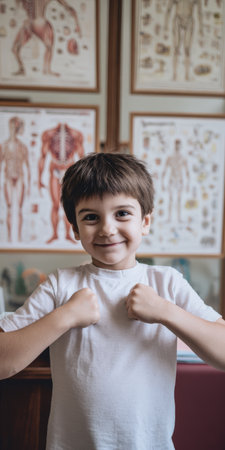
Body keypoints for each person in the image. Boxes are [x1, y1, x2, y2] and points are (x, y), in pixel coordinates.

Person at [0, 152, 225, 450]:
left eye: (122, 214)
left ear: (145, 222)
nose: (107, 228)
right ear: (75, 230)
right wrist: (64, 317)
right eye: (91, 217)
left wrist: (165, 312)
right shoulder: (60, 284)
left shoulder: (167, 283)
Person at [38, 123, 84, 244]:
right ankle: (54, 234)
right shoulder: (48, 135)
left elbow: (82, 157)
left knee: (68, 207)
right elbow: (43, 156)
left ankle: (68, 234)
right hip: (55, 170)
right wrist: (39, 178)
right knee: (55, 205)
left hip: (70, 171)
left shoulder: (76, 135)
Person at [0, 116, 31, 242]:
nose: (13, 128)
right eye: (11, 126)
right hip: (8, 177)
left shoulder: (23, 147)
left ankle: (17, 237)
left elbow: (28, 167)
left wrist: (29, 185)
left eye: (15, 126)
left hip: (20, 178)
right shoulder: (3, 146)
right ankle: (9, 238)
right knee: (9, 208)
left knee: (18, 209)